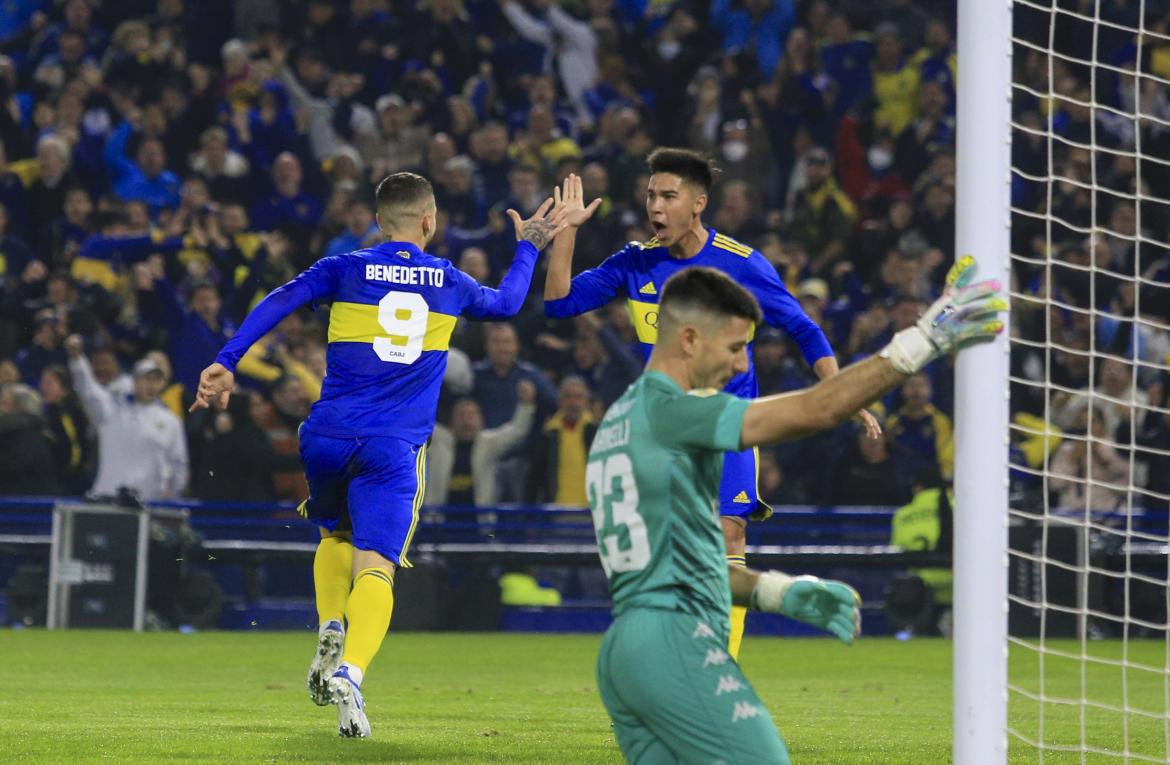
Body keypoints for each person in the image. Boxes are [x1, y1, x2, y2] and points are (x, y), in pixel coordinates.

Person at [188, 171, 568, 738]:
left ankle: (329, 623)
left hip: (327, 436)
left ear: (377, 220)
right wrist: (530, 245)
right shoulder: (448, 279)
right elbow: (510, 302)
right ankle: (352, 671)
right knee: (377, 565)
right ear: (428, 221)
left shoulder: (343, 268)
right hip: (393, 445)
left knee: (334, 536)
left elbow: (281, 298)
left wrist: (229, 359)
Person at [588, 260, 1005, 764]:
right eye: (735, 347)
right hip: (673, 643)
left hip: (624, 653)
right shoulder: (673, 412)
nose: (742, 366)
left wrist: (775, 591)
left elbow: (681, 568)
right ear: (691, 340)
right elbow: (817, 410)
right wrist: (924, 339)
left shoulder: (619, 421)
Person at [544, 148, 881, 660]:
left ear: (698, 204)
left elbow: (803, 329)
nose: (655, 206)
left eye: (668, 196)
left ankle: (718, 669)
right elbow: (560, 301)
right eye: (651, 195)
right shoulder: (635, 262)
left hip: (729, 428)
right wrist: (565, 232)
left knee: (727, 535)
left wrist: (839, 393)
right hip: (665, 429)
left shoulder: (740, 264)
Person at [66, 339, 188, 500]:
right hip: (108, 497)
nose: (151, 385)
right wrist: (77, 360)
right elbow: (88, 391)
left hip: (149, 501)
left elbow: (178, 463)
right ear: (134, 382)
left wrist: (173, 496)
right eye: (146, 379)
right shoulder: (111, 411)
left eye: (156, 380)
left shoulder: (171, 421)